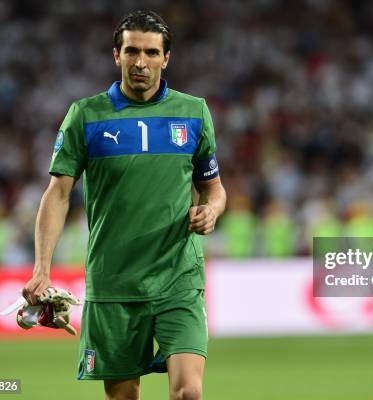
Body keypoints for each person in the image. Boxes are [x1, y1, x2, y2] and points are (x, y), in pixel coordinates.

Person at [22, 10, 226, 400]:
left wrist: (211, 210)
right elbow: (58, 194)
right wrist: (41, 269)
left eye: (151, 53)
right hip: (113, 283)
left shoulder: (194, 112)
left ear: (166, 58)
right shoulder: (85, 115)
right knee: (124, 397)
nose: (141, 62)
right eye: (132, 51)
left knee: (189, 393)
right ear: (116, 55)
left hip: (178, 278)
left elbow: (214, 188)